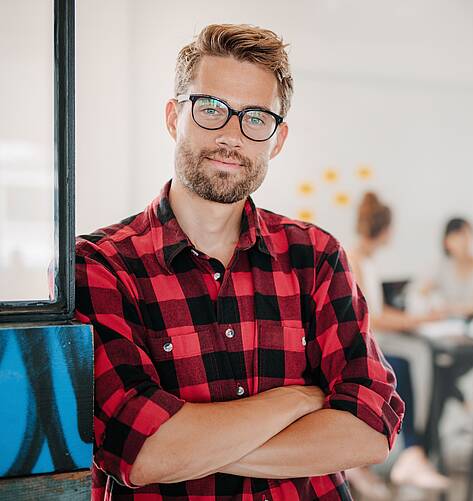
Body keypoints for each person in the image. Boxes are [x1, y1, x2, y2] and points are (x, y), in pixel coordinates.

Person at [74, 24, 403, 501]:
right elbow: (140, 450)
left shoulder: (316, 256)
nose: (232, 136)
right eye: (211, 109)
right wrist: (296, 400)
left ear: (278, 139)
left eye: (255, 118)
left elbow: (371, 426)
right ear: (173, 117)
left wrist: (192, 446)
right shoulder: (100, 265)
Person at [345, 192, 451, 497]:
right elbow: (372, 318)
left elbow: (378, 309)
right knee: (408, 362)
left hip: (373, 341)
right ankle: (411, 452)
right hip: (357, 351)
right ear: (386, 229)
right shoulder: (355, 260)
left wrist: (420, 317)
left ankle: (413, 452)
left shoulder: (367, 260)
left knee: (417, 357)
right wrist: (417, 321)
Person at [421, 217, 473, 317]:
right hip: (447, 324)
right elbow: (420, 293)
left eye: (467, 234)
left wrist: (451, 309)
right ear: (446, 241)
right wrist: (432, 305)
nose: (463, 240)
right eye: (457, 235)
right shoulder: (441, 266)